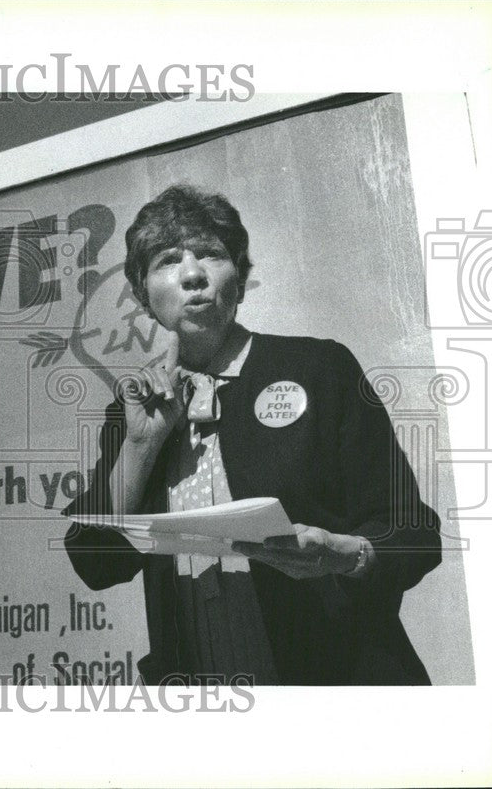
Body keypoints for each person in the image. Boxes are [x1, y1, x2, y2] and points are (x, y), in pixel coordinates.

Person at [64, 184, 442, 685]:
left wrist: (342, 554)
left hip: (336, 683)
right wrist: (141, 445)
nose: (193, 274)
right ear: (143, 294)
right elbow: (95, 563)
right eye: (168, 260)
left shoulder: (319, 368)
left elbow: (413, 532)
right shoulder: (135, 407)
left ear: (239, 278)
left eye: (212, 255)